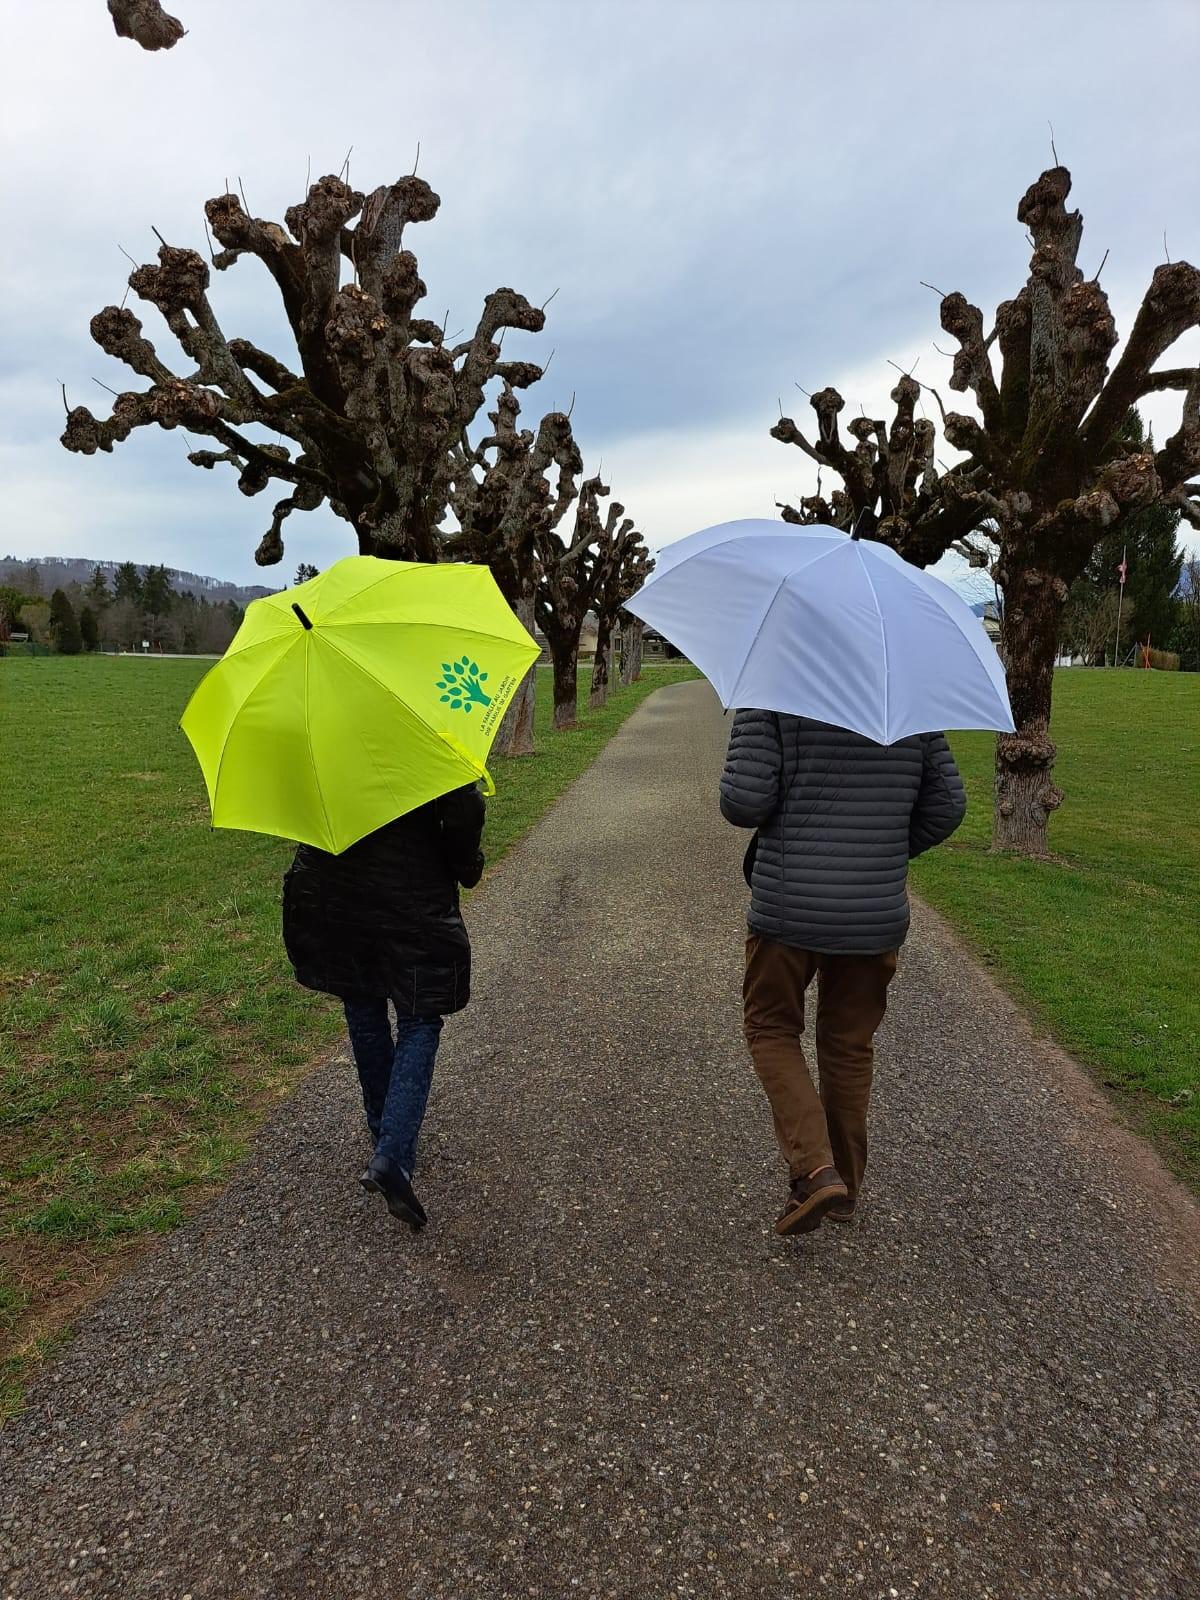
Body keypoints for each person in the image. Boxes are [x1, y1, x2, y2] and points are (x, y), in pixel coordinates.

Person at [720, 712, 965, 1237]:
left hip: (788, 907)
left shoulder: (777, 685)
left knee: (770, 1026)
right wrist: (883, 856)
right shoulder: (903, 688)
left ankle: (814, 1169)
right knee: (849, 1045)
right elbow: (947, 805)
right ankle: (845, 1189)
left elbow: (743, 802)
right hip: (874, 916)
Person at [281, 784, 486, 1230]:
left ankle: (385, 1133)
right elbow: (463, 810)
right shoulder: (423, 723)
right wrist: (466, 865)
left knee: (363, 1006)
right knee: (419, 1017)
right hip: (412, 893)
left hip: (333, 889)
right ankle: (392, 1152)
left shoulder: (319, 725)